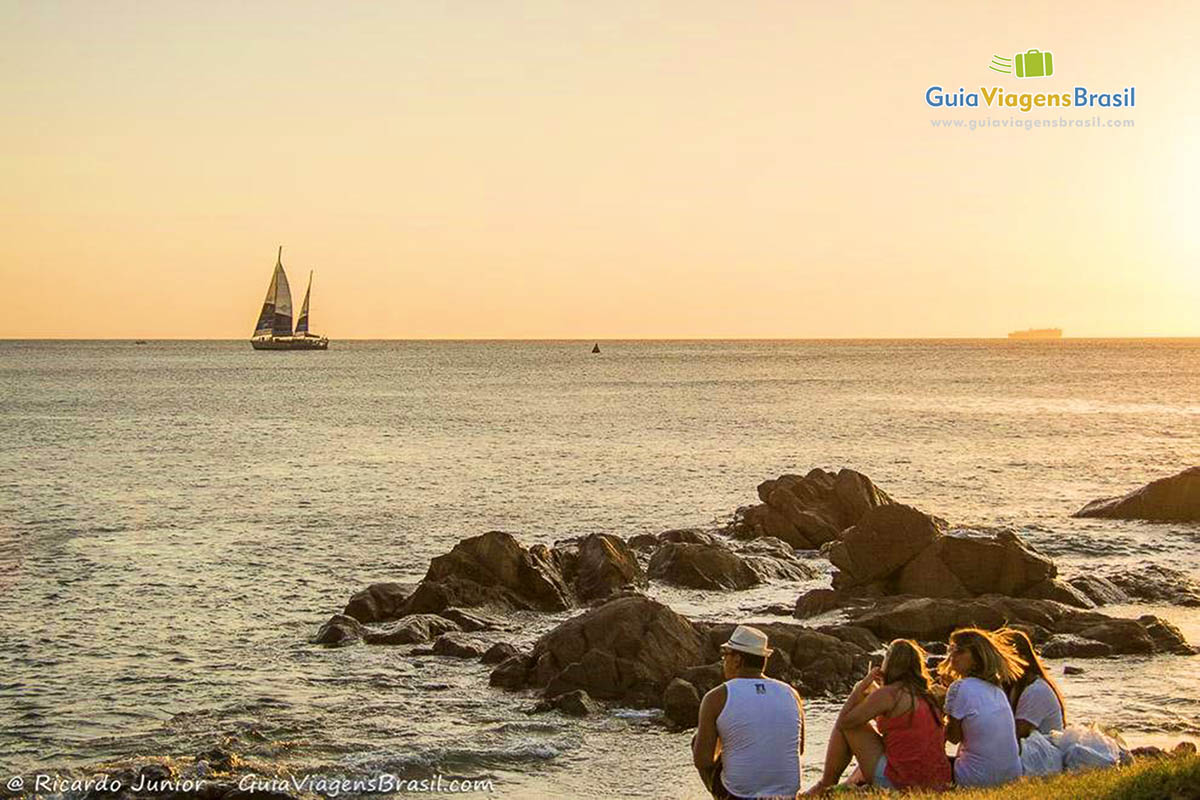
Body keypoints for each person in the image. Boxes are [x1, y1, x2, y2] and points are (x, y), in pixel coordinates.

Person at [804, 639, 951, 794]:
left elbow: (844, 721)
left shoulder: (889, 694)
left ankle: (825, 783)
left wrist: (862, 685)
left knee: (852, 726)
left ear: (889, 663)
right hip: (936, 781)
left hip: (900, 781)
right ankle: (841, 783)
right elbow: (901, 728)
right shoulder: (929, 696)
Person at [692, 625, 804, 799]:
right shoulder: (791, 693)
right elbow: (799, 748)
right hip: (787, 795)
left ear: (737, 660)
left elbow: (703, 761)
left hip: (739, 795)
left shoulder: (716, 697)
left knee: (698, 742)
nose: (723, 661)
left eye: (725, 655)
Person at [937, 627, 1025, 787]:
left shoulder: (959, 687)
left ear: (977, 657)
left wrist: (939, 707)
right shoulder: (996, 688)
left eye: (960, 651)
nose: (952, 657)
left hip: (978, 778)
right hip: (1012, 774)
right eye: (951, 650)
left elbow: (953, 738)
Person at [1001, 628, 1066, 738]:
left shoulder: (1036, 691)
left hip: (1043, 752)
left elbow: (1016, 736)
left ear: (1022, 658)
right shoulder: (1015, 687)